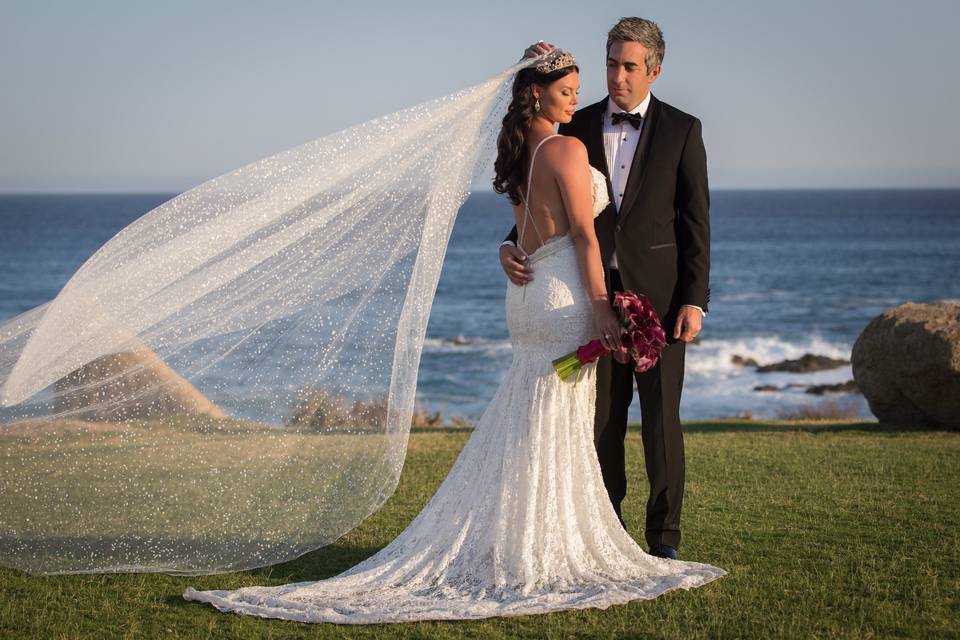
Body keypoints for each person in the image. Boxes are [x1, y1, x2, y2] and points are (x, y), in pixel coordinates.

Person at [183, 47, 724, 624]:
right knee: (567, 421)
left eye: (584, 85)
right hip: (567, 294)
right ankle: (549, 543)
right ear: (536, 92)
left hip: (531, 294)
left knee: (534, 415)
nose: (581, 95)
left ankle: (541, 537)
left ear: (651, 70)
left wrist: (514, 248)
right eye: (568, 89)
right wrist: (598, 306)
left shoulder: (523, 149)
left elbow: (650, 220)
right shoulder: (570, 141)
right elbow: (587, 241)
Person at [500, 18, 711, 560]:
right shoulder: (575, 124)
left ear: (654, 70)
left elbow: (695, 222)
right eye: (612, 63)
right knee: (600, 424)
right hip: (586, 296)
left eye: (629, 66)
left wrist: (694, 298)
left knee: (662, 423)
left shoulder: (683, 130)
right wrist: (507, 245)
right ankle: (606, 533)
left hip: (659, 300)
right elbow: (545, 204)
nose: (616, 76)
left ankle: (663, 540)